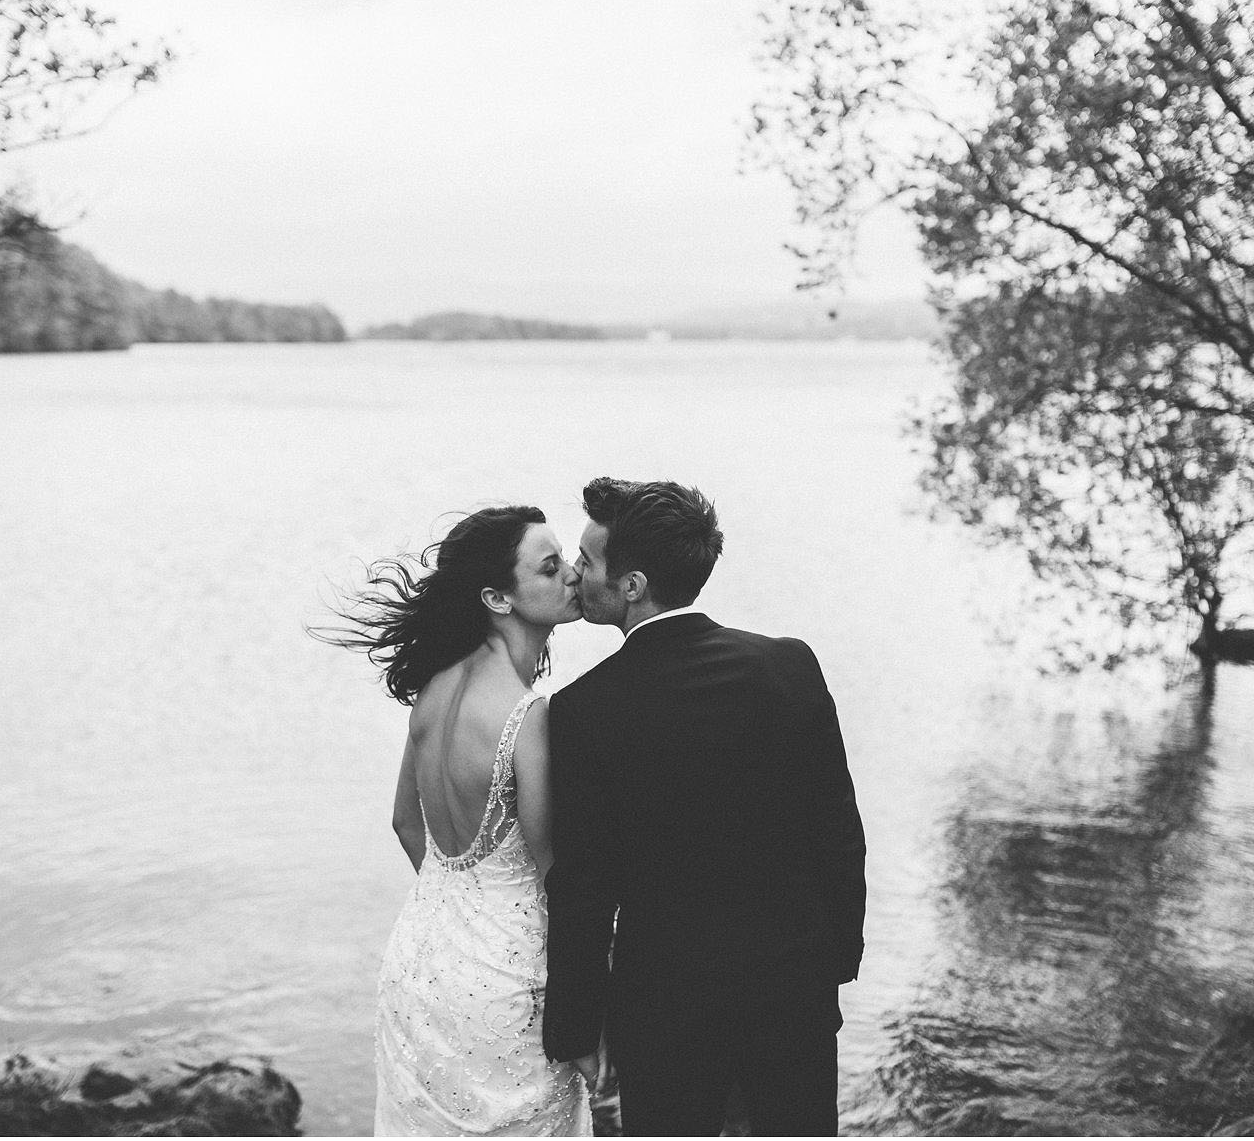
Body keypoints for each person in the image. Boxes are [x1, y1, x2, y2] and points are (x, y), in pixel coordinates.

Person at [543, 477, 867, 1136]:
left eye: (586, 559)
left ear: (631, 584)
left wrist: (574, 1027)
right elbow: (838, 831)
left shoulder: (584, 709)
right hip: (794, 992)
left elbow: (583, 884)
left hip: (667, 1008)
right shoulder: (788, 665)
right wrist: (834, 962)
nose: (576, 575)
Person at [317, 506, 593, 1136]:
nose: (573, 575)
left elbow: (405, 824)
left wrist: (462, 911)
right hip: (505, 984)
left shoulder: (434, 689)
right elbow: (555, 873)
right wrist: (587, 1008)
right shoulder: (529, 717)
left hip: (422, 961)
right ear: (498, 597)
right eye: (551, 568)